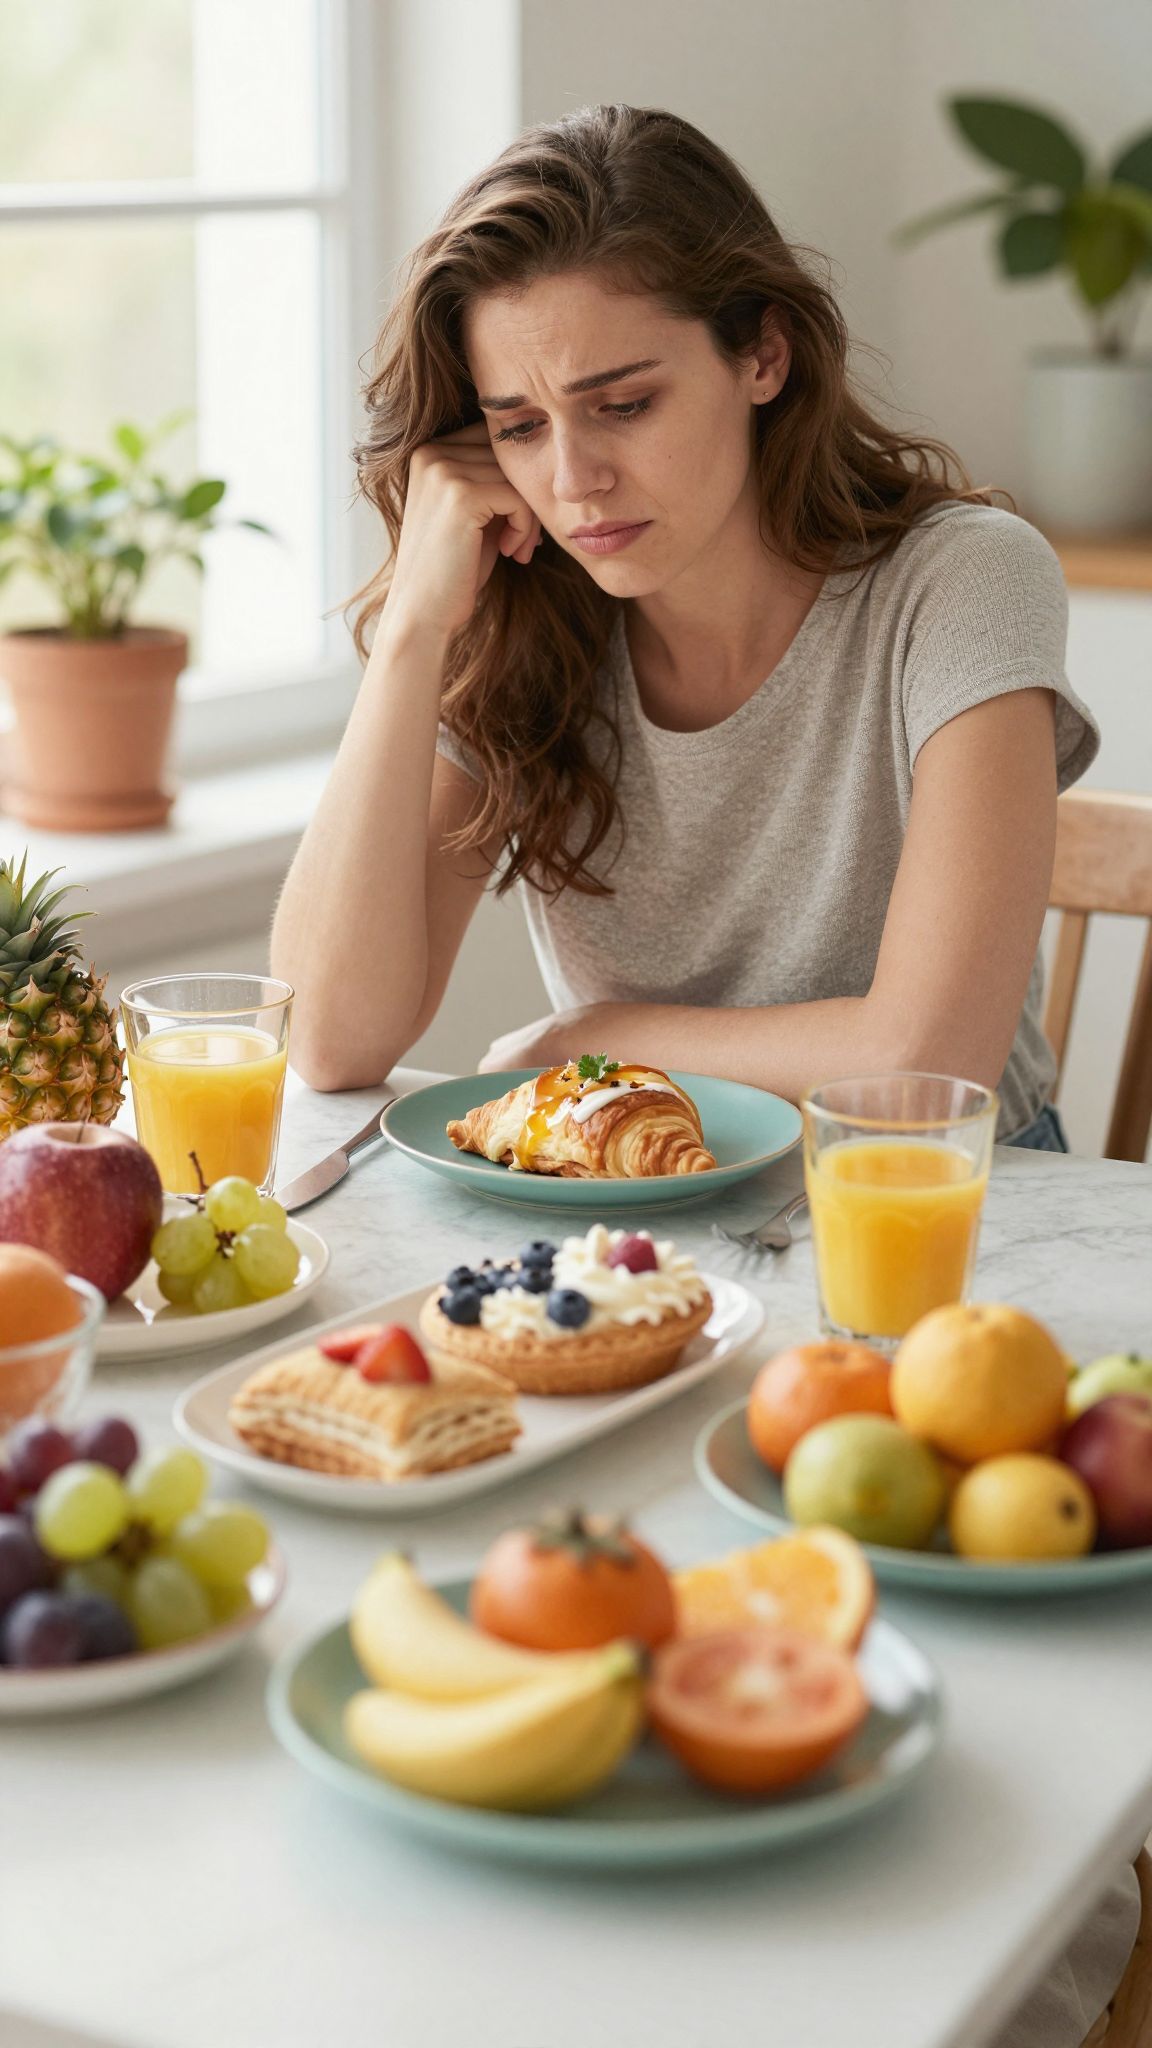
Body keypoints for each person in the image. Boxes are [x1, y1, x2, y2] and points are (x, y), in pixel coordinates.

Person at [272, 105, 1139, 2041]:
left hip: (947, 1250)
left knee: (921, 1765)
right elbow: (331, 1032)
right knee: (529, 1663)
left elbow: (921, 1054)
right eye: (515, 425)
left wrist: (603, 1033)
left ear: (763, 352)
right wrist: (416, 626)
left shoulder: (961, 578)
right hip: (631, 1269)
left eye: (624, 400)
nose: (574, 477)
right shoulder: (532, 619)